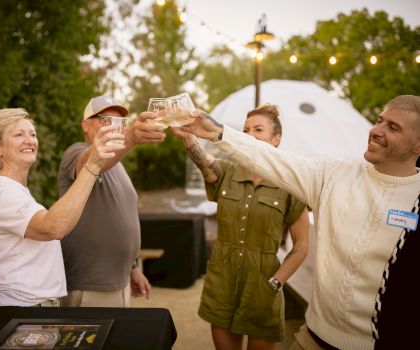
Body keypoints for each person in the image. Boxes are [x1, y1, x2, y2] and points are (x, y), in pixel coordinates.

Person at [176, 95, 420, 350]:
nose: (376, 130)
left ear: (418, 145)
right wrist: (214, 132)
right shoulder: (333, 175)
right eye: (379, 121)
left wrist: (274, 283)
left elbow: (301, 245)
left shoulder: (414, 199)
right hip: (312, 335)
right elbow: (260, 158)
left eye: (393, 127)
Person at [172, 104, 310, 350]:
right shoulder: (228, 171)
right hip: (222, 282)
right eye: (246, 130)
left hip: (262, 288)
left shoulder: (291, 184)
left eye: (259, 129)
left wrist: (275, 284)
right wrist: (188, 137)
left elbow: (301, 247)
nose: (250, 135)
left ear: (276, 139)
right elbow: (204, 162)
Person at [0, 107, 125, 307]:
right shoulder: (1, 192)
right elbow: (54, 227)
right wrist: (92, 166)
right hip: (15, 309)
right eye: (18, 135)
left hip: (29, 307)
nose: (30, 140)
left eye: (33, 134)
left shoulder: (16, 191)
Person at [58, 95, 166, 307]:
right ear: (85, 125)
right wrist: (132, 137)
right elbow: (91, 163)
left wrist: (132, 268)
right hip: (89, 284)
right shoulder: (75, 152)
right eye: (106, 120)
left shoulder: (117, 163)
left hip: (120, 281)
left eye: (120, 122)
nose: (115, 127)